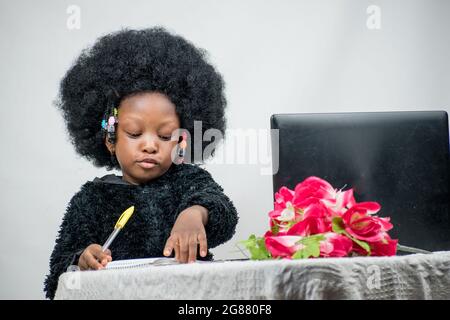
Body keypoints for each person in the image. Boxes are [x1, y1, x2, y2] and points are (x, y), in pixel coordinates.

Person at [44, 27, 239, 299]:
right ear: (110, 139)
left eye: (164, 135)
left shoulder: (190, 181)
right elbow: (57, 277)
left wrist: (196, 213)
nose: (150, 145)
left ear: (181, 141)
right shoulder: (92, 199)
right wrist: (81, 260)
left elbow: (224, 214)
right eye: (135, 133)